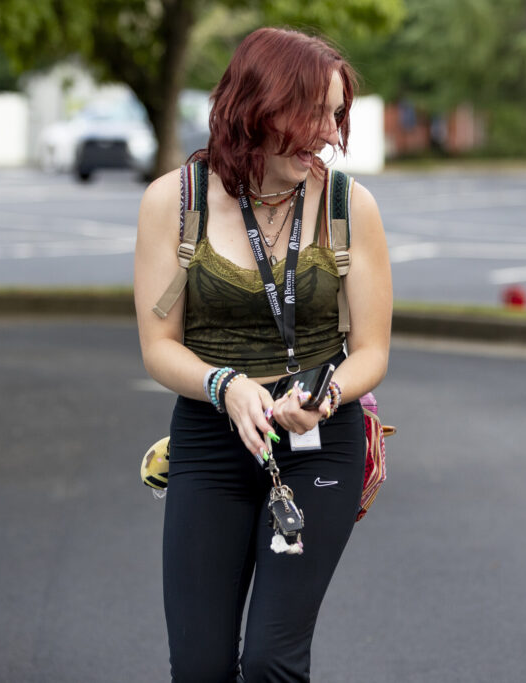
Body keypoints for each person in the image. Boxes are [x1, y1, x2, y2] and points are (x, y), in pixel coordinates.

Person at [133, 27, 392, 682]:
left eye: (338, 113)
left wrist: (327, 395)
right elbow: (159, 348)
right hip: (211, 440)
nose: (332, 133)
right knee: (199, 666)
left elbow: (371, 350)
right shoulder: (174, 201)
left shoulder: (348, 205)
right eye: (317, 113)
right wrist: (224, 384)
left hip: (318, 441)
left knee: (274, 662)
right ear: (259, 106)